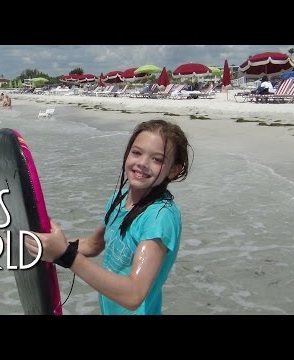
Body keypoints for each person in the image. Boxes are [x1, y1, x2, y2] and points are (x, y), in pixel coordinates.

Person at [25, 119, 192, 315]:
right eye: (136, 152)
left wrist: (66, 255)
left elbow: (134, 295)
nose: (142, 163)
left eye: (157, 159)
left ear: (173, 170)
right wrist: (47, 244)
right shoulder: (120, 199)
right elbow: (94, 245)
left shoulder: (159, 218)